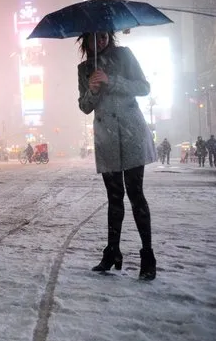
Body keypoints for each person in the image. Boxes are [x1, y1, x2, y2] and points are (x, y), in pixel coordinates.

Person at [77, 31, 157, 281]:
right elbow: (84, 106)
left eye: (104, 36)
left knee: (136, 195)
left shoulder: (124, 55)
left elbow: (144, 87)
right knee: (114, 198)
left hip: (131, 133)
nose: (100, 41)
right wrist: (92, 89)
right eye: (94, 37)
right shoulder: (84, 68)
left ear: (110, 36)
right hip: (107, 138)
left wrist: (112, 80)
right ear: (85, 40)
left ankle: (147, 256)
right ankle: (112, 252)